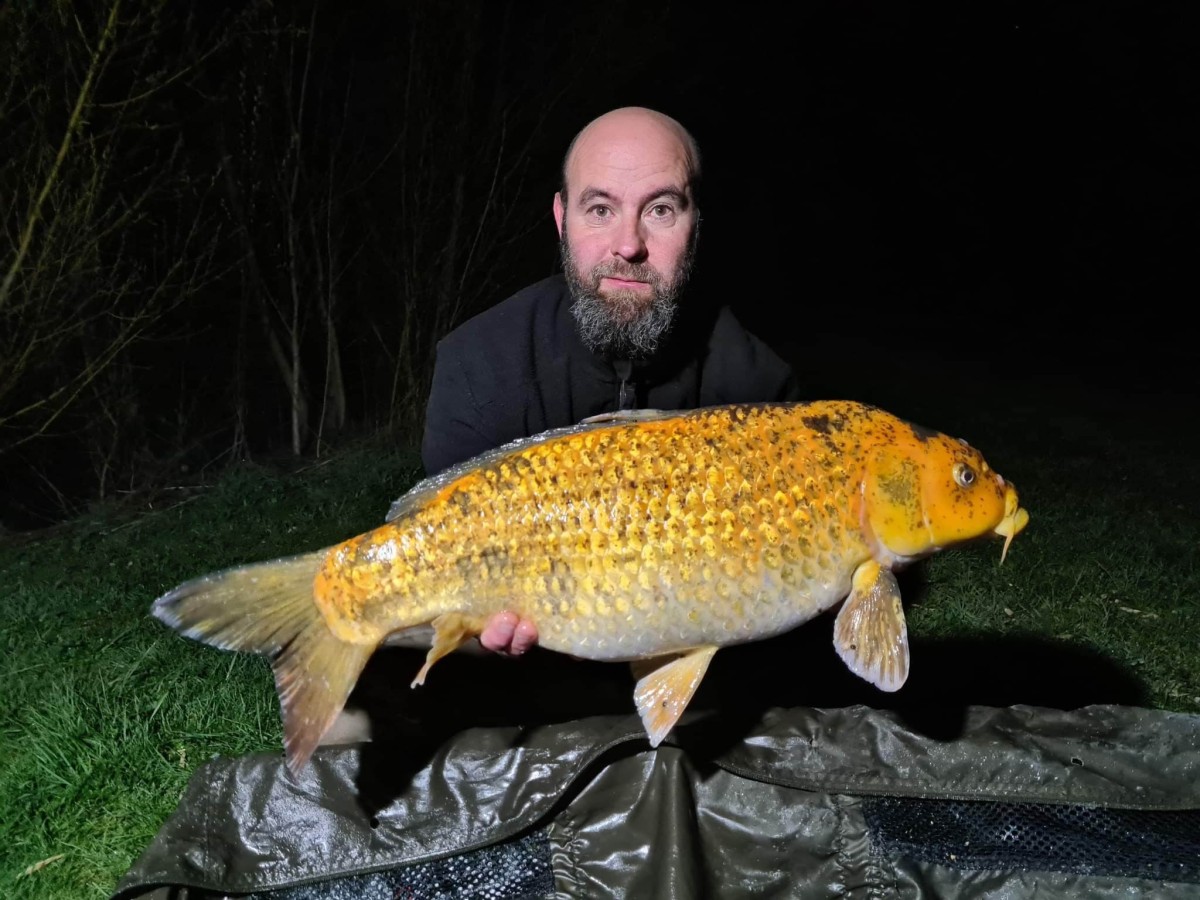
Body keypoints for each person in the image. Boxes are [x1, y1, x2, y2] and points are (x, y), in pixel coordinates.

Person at [420, 105, 801, 660]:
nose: (629, 245)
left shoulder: (760, 387)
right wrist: (476, 636)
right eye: (600, 208)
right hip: (528, 673)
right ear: (561, 218)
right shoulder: (477, 367)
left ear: (697, 224)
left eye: (661, 209)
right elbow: (445, 573)